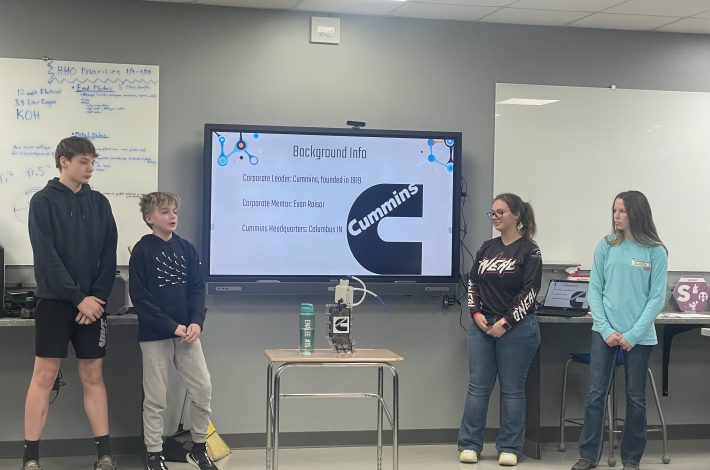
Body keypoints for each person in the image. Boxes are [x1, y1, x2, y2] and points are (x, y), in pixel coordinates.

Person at [23, 136, 118, 470]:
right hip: (56, 302)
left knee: (93, 375)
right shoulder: (43, 201)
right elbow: (46, 257)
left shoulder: (100, 203)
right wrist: (79, 299)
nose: (90, 168)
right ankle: (30, 458)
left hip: (94, 305)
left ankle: (104, 455)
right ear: (64, 161)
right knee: (44, 376)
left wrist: (96, 299)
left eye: (93, 162)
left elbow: (109, 254)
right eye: (83, 162)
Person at [572, 191, 668, 470]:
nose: (617, 215)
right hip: (605, 333)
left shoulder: (655, 251)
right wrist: (605, 329)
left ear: (637, 213)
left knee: (635, 398)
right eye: (615, 210)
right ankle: (588, 456)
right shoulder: (606, 245)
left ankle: (631, 459)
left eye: (623, 210)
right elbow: (595, 289)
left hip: (640, 337)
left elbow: (656, 298)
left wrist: (633, 335)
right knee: (596, 394)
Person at [129, 192, 217, 470]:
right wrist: (171, 326)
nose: (172, 216)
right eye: (165, 212)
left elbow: (197, 289)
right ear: (150, 218)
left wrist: (196, 322)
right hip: (156, 336)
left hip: (188, 335)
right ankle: (154, 454)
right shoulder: (142, 251)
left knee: (202, 389)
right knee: (156, 397)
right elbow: (141, 299)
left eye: (175, 211)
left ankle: (199, 448)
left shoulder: (187, 249)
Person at [458, 193, 542, 466]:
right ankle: (469, 445)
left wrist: (506, 322)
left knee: (512, 390)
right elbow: (473, 282)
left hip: (516, 328)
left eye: (500, 212)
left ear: (516, 215)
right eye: (492, 213)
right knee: (478, 387)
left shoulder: (530, 251)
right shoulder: (486, 248)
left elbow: (530, 291)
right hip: (482, 325)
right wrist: (475, 313)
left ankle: (510, 447)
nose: (494, 217)